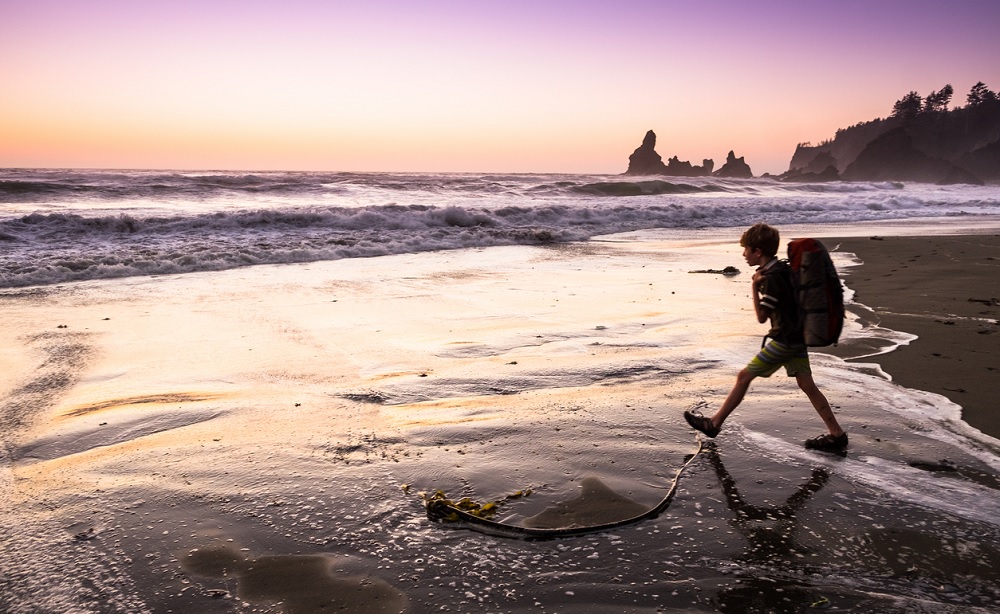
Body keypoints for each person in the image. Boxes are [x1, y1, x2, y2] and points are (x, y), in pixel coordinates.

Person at [683, 223, 848, 450]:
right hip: (797, 337)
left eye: (746, 250)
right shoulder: (782, 269)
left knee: (743, 377)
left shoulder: (771, 279)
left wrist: (754, 287)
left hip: (785, 341)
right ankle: (836, 434)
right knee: (807, 385)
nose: (743, 255)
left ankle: (713, 423)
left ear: (757, 252)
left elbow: (762, 316)